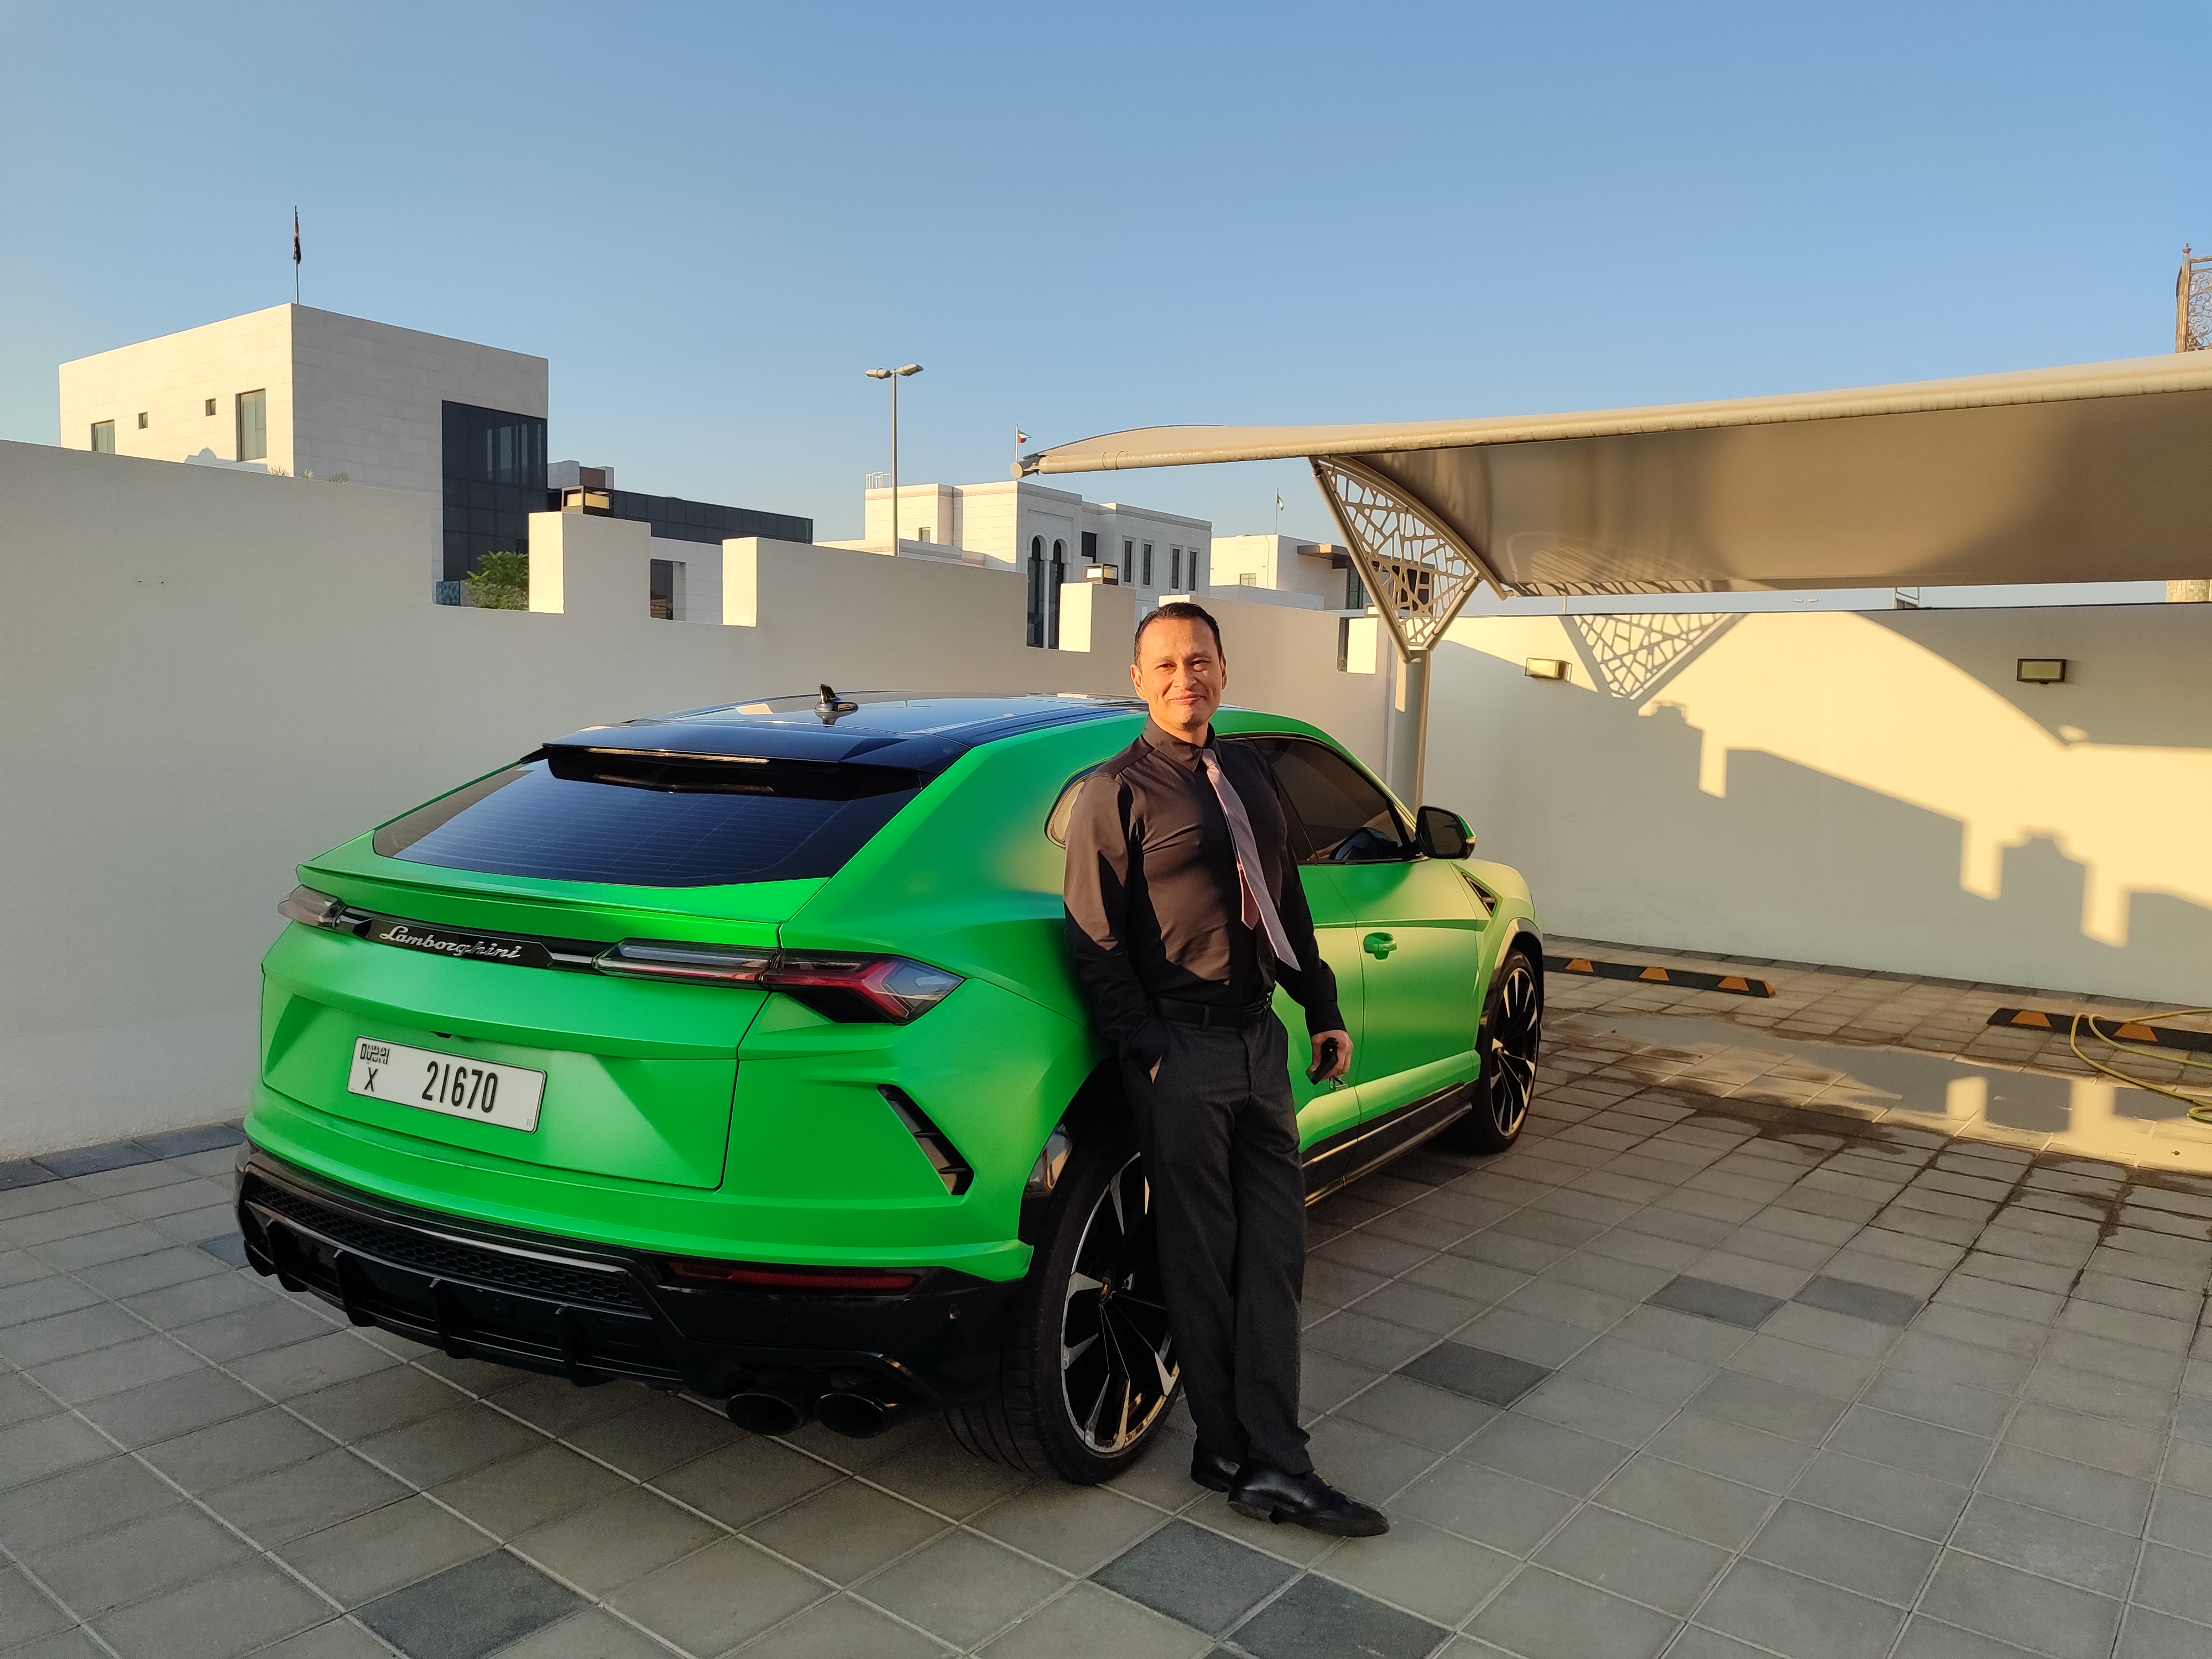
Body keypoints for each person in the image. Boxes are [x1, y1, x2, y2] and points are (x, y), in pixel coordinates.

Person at [1061, 601, 1389, 1537]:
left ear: (1223, 671)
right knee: (1204, 1263)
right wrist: (1153, 1053)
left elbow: (1280, 891)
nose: (1183, 678)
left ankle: (1229, 1446)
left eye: (1197, 660)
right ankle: (1271, 1464)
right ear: (1137, 680)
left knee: (1275, 1256)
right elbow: (1096, 940)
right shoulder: (1113, 794)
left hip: (1259, 1041)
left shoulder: (1242, 767)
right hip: (1183, 1052)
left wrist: (1319, 1006)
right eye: (1163, 665)